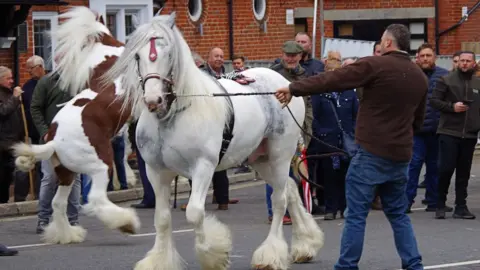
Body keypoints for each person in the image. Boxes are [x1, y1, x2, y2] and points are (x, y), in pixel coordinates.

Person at [275, 24, 425, 270]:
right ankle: (413, 264)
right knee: (398, 214)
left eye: (381, 41)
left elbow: (334, 78)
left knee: (356, 216)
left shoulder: (375, 65)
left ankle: (346, 266)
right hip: (400, 156)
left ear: (388, 43)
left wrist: (294, 88)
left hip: (371, 154)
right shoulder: (419, 75)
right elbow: (417, 121)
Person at [430, 51, 479, 220]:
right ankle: (440, 204)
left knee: (464, 172)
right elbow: (434, 101)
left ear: (474, 63)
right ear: (457, 63)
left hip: (470, 134)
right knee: (446, 169)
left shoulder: (477, 82)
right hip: (449, 131)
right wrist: (452, 107)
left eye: (468, 61)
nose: (465, 63)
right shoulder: (446, 80)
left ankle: (461, 206)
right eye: (462, 61)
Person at [405, 43, 450, 213]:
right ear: (417, 58)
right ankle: (406, 202)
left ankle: (433, 201)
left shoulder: (444, 76)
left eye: (428, 55)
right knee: (413, 166)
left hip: (438, 130)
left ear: (435, 58)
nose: (425, 58)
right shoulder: (409, 75)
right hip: (416, 130)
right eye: (422, 56)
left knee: (435, 167)